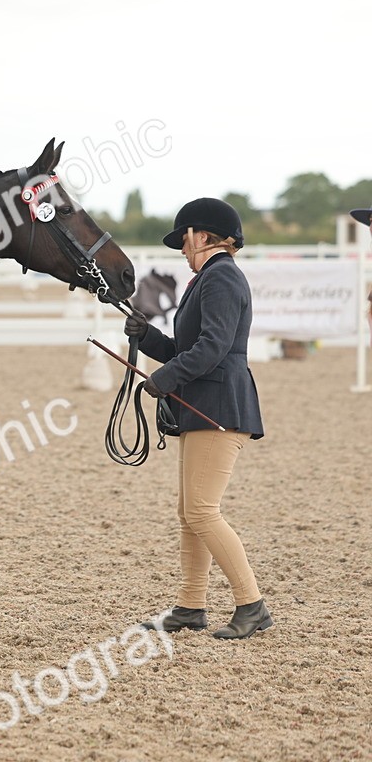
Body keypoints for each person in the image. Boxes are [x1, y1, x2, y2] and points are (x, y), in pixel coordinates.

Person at [124, 197, 272, 640]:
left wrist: (164, 379)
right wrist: (148, 337)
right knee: (190, 512)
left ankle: (252, 604)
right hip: (201, 406)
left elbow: (214, 347)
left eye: (185, 241)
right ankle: (191, 606)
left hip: (219, 406)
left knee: (203, 511)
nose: (183, 251)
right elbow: (186, 349)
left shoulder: (221, 277)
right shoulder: (208, 278)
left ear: (203, 236)